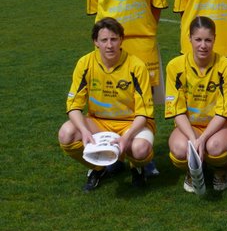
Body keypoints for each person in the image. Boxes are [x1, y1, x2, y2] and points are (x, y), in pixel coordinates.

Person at [58, 18, 155, 191]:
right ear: (95, 42)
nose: (109, 45)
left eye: (114, 39)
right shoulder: (85, 63)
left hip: (132, 123)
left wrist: (127, 137)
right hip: (99, 122)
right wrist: (85, 130)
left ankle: (137, 167)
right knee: (67, 134)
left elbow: (144, 113)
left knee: (140, 150)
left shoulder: (136, 66)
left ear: (121, 40)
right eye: (104, 40)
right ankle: (98, 168)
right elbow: (73, 106)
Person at [165, 17, 227, 193]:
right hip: (190, 125)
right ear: (189, 38)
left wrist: (202, 139)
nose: (203, 45)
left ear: (214, 39)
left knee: (214, 147)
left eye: (208, 40)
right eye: (198, 39)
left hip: (220, 126)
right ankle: (193, 170)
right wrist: (193, 139)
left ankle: (220, 170)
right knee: (179, 149)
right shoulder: (175, 66)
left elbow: (224, 112)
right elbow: (178, 111)